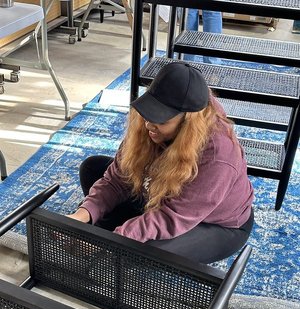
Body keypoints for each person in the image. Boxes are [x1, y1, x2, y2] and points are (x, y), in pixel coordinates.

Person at [68, 63, 254, 264]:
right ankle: (125, 229)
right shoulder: (148, 125)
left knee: (144, 251)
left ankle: (123, 234)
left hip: (212, 224)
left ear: (188, 121)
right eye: (149, 113)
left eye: (161, 120)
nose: (148, 124)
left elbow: (173, 216)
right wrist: (81, 214)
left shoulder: (219, 156)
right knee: (92, 168)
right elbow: (116, 179)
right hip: (161, 194)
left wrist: (116, 239)